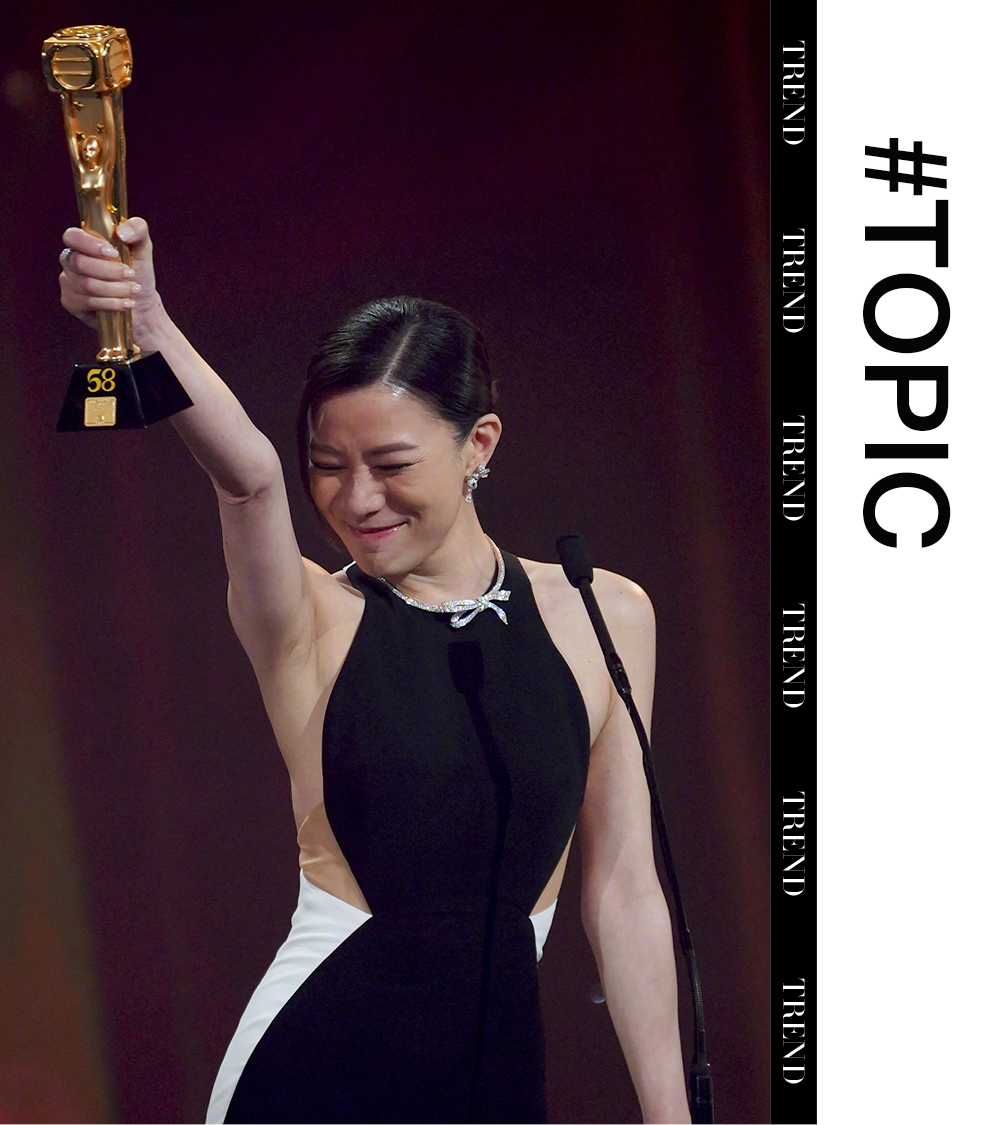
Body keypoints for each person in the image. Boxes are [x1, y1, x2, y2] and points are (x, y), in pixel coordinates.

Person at [58, 218, 692, 1125]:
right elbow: (249, 479)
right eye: (329, 466)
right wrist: (146, 320)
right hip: (316, 1072)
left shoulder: (604, 612)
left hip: (496, 1083)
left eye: (392, 464)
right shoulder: (309, 616)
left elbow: (624, 887)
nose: (357, 499)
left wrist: (671, 1116)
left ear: (479, 445)